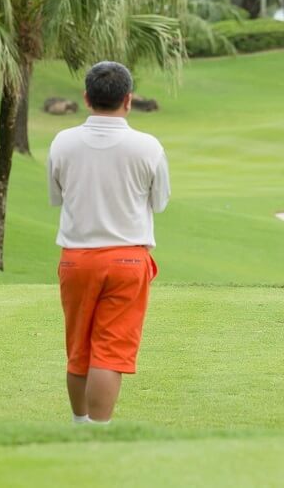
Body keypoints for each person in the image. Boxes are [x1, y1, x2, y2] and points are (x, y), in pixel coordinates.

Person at [48, 61, 170, 425]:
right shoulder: (147, 146)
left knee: (79, 349)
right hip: (128, 260)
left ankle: (79, 425)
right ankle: (99, 432)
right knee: (109, 351)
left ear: (86, 98)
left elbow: (57, 197)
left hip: (76, 259)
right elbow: (160, 202)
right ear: (128, 100)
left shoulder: (62, 141)